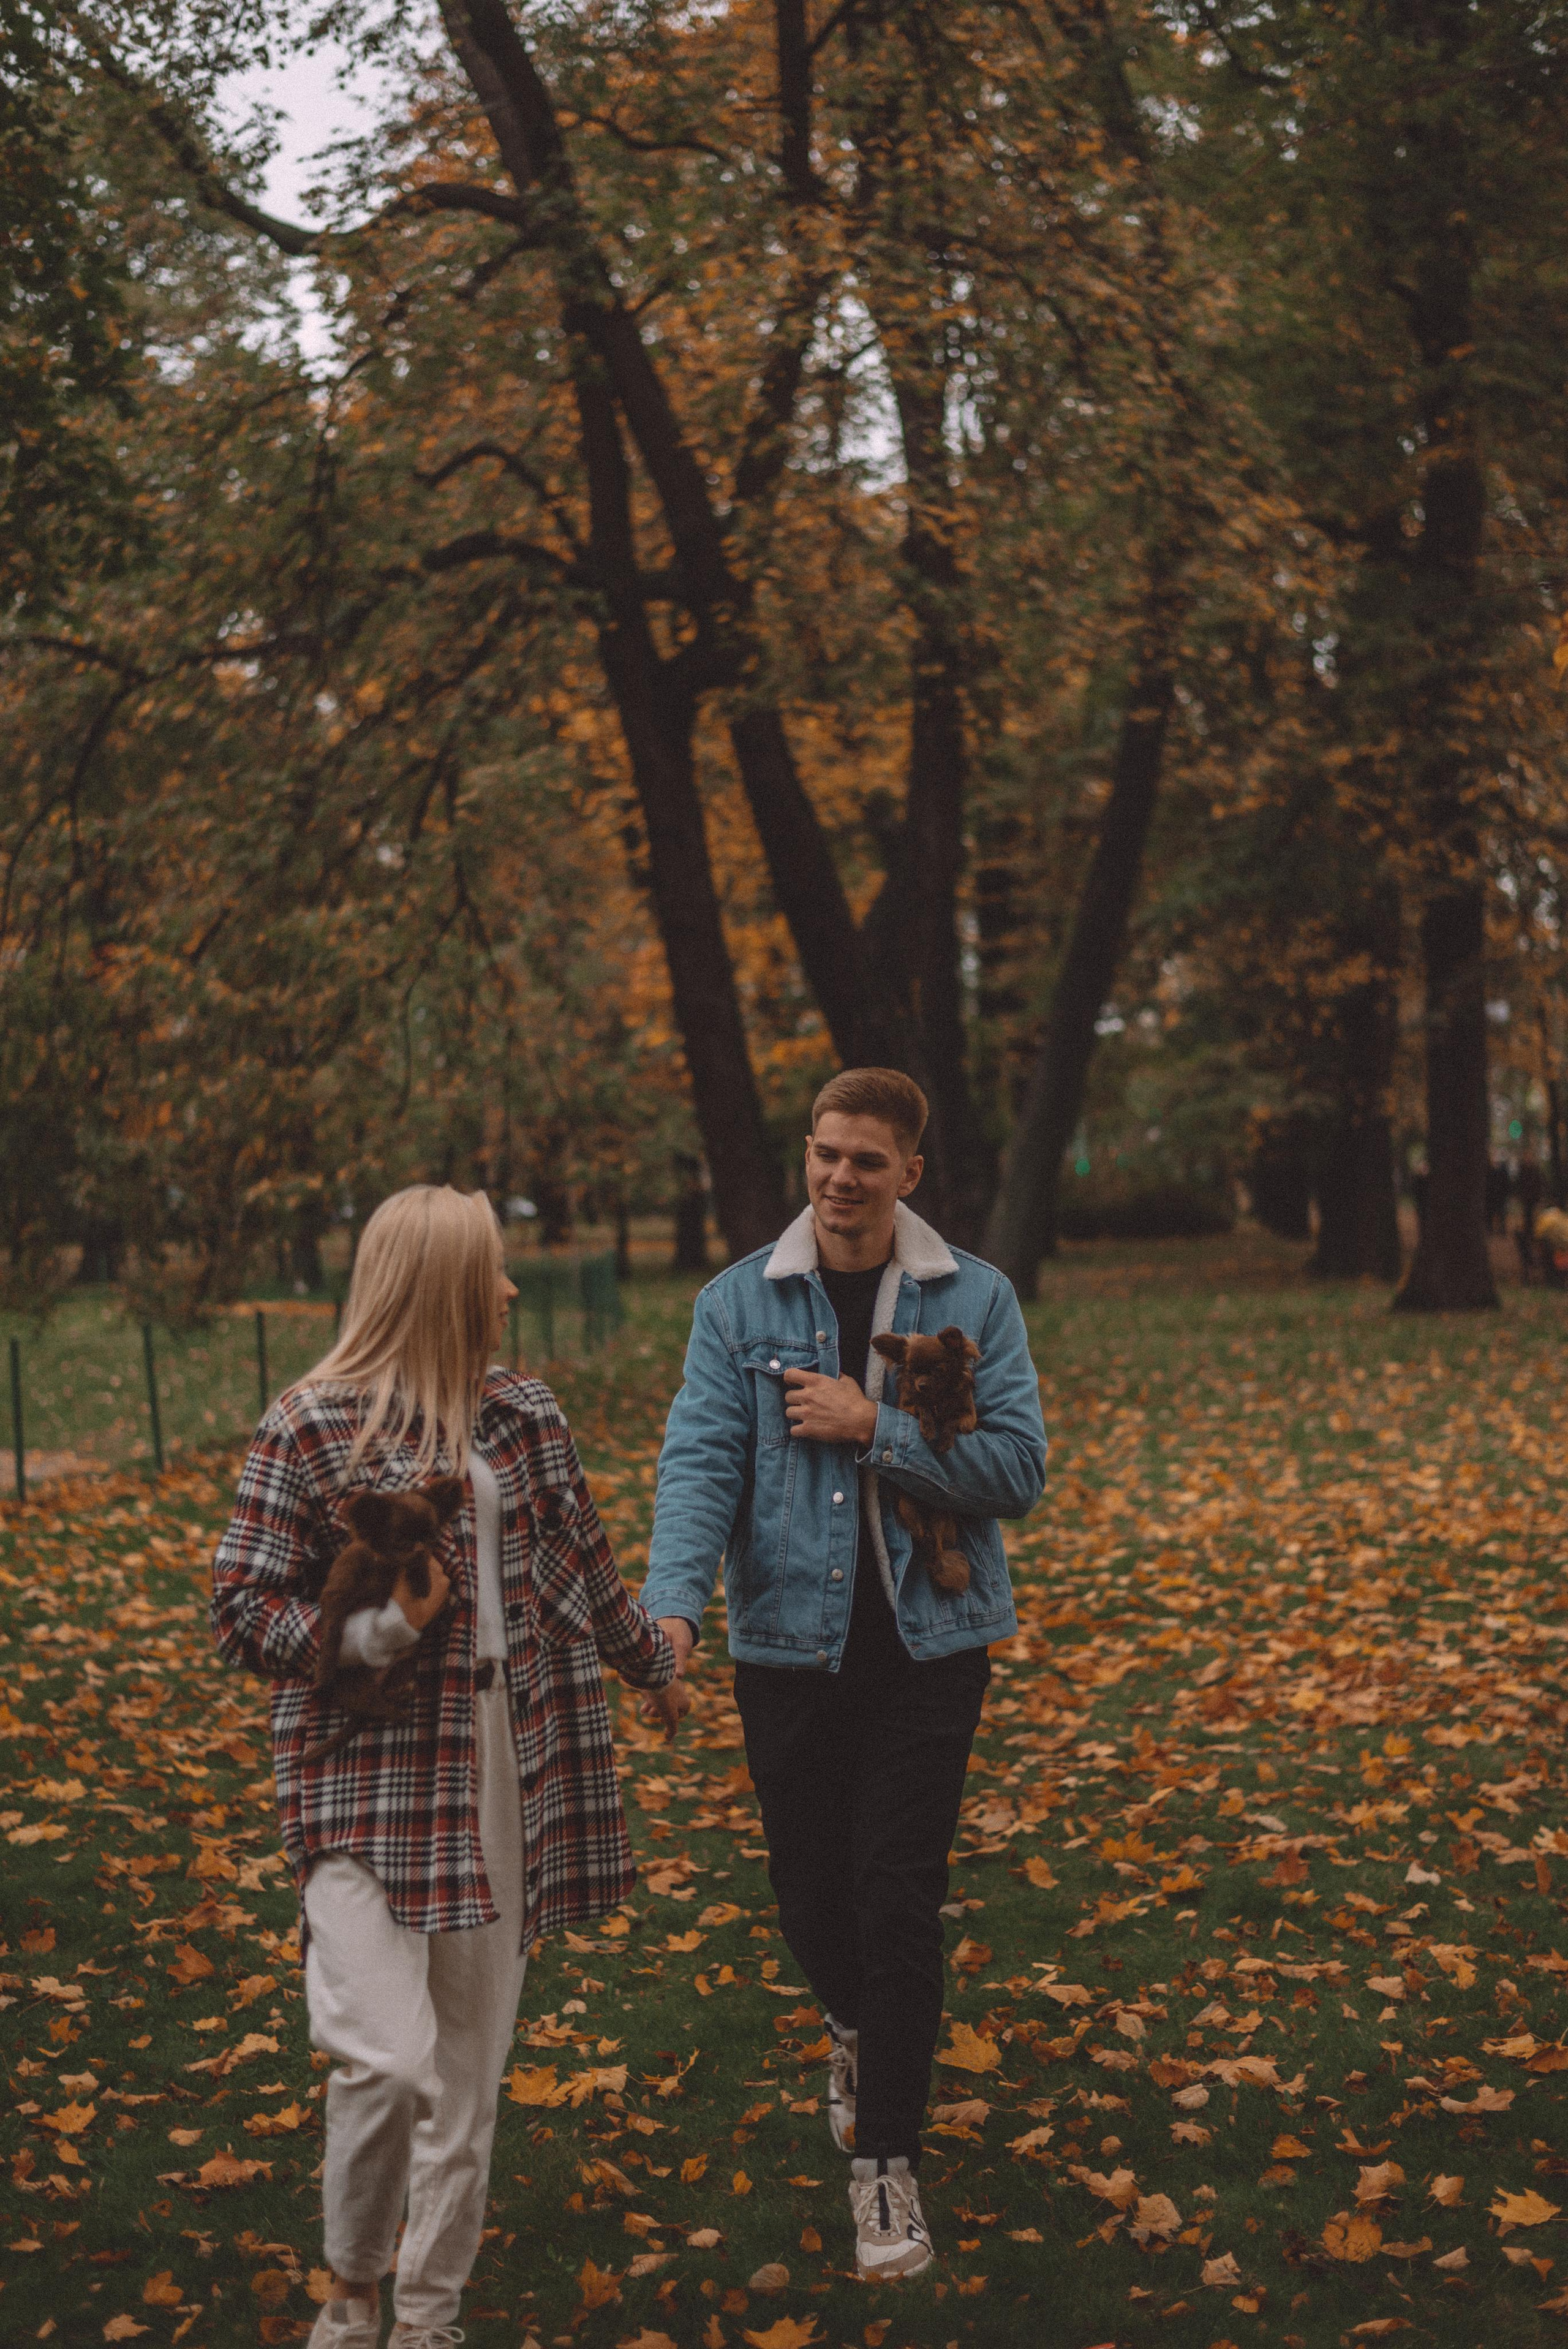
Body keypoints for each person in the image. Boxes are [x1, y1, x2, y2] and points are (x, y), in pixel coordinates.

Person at [211, 1186, 684, 2349]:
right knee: (387, 2058)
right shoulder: (310, 1424)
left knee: (467, 2076)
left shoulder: (523, 1414)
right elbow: (241, 1608)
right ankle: (350, 2291)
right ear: (443, 1287)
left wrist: (653, 1664)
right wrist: (376, 1634)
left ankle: (428, 2316)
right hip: (364, 1779)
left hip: (504, 1762)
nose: (512, 1290)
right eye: (495, 1272)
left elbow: (582, 1566)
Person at [640, 1069, 1048, 2281]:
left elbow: (1018, 1470)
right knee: (809, 1891)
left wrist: (878, 1427)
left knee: (894, 1897)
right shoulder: (738, 1305)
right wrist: (672, 1613)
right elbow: (700, 1463)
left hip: (930, 1647)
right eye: (825, 1153)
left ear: (908, 1172)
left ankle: (886, 2171)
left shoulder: (974, 1296)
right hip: (786, 1648)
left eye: (866, 1160)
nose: (839, 1177)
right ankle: (858, 2026)